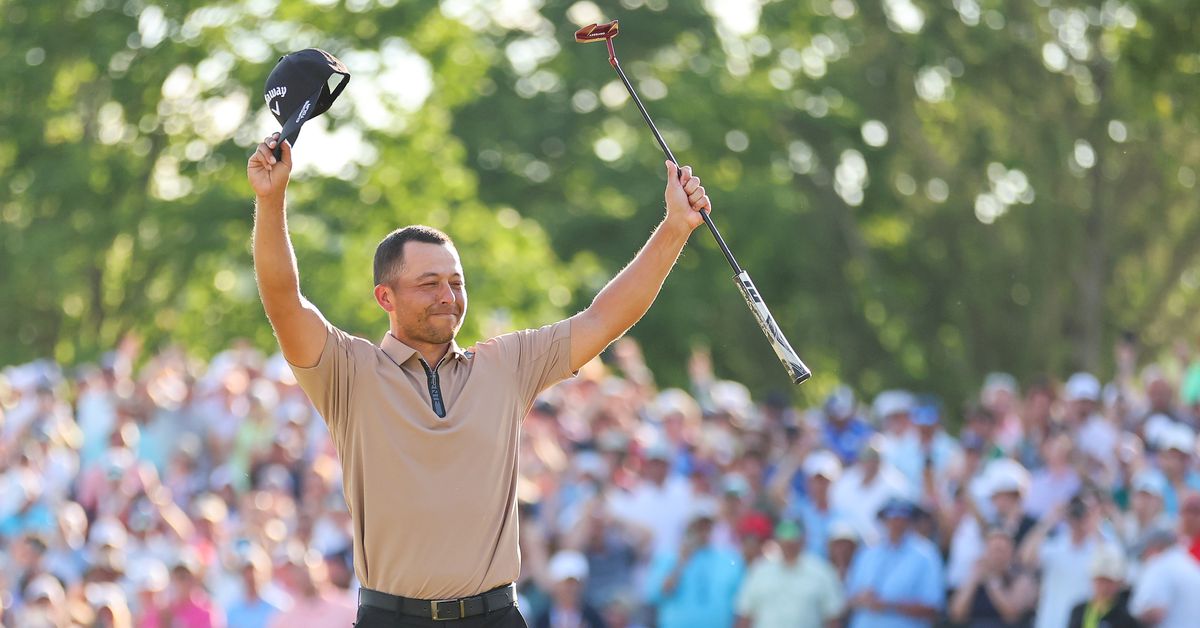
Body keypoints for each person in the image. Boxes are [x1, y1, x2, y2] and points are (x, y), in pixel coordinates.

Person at [247, 109, 714, 628]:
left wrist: (675, 229)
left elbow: (603, 318)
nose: (448, 297)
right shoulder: (348, 372)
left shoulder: (507, 364)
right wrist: (271, 201)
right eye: (429, 284)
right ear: (386, 296)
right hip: (391, 618)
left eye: (456, 282)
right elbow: (284, 300)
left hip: (495, 615)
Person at [845, 498, 944, 628]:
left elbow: (933, 608)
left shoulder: (926, 555)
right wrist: (862, 599)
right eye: (892, 518)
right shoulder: (868, 553)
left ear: (910, 521)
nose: (896, 523)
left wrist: (888, 605)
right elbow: (849, 598)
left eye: (901, 518)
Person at [644, 503, 744, 628]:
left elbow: (741, 602)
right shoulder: (668, 558)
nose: (702, 531)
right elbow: (655, 595)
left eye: (706, 526)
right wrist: (681, 562)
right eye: (697, 527)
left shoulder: (728, 559)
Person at [1019, 495, 1110, 628]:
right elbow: (1025, 558)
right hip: (1050, 622)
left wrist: (1094, 524)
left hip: (1084, 623)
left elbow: (1113, 568)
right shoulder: (1055, 545)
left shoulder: (1101, 543)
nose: (1080, 517)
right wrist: (1049, 519)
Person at [734, 519, 844, 628]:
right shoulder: (759, 572)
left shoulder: (822, 572)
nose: (789, 543)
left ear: (803, 539)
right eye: (784, 537)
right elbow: (745, 615)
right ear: (777, 540)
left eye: (793, 537)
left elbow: (832, 618)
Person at [947, 527, 1036, 628]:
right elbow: (956, 615)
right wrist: (972, 580)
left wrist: (992, 581)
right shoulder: (974, 578)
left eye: (1001, 550)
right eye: (993, 550)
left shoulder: (1021, 579)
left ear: (1011, 553)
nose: (997, 555)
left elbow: (1012, 615)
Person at [1128, 527, 1200, 628]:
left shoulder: (1160, 565)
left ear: (1155, 546)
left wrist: (1133, 613)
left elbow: (1156, 612)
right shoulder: (1192, 565)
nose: (1143, 556)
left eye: (1144, 551)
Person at [1067, 544, 1139, 628]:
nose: (1104, 587)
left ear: (1119, 583)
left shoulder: (1126, 619)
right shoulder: (1078, 611)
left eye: (1108, 581)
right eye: (1100, 580)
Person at [533, 551, 606, 628]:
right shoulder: (541, 619)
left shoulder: (594, 618)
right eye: (565, 584)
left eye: (575, 584)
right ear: (555, 585)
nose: (570, 589)